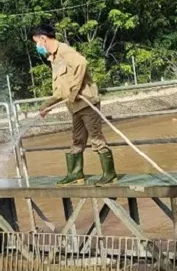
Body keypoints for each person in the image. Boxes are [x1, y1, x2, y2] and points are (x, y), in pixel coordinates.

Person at [32, 24, 118, 186]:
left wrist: (74, 90)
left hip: (86, 102)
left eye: (36, 42)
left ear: (43, 38)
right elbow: (59, 92)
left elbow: (82, 64)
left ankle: (110, 174)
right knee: (77, 140)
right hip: (75, 107)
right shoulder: (54, 59)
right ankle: (76, 173)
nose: (37, 47)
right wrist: (45, 106)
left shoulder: (64, 51)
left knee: (96, 137)